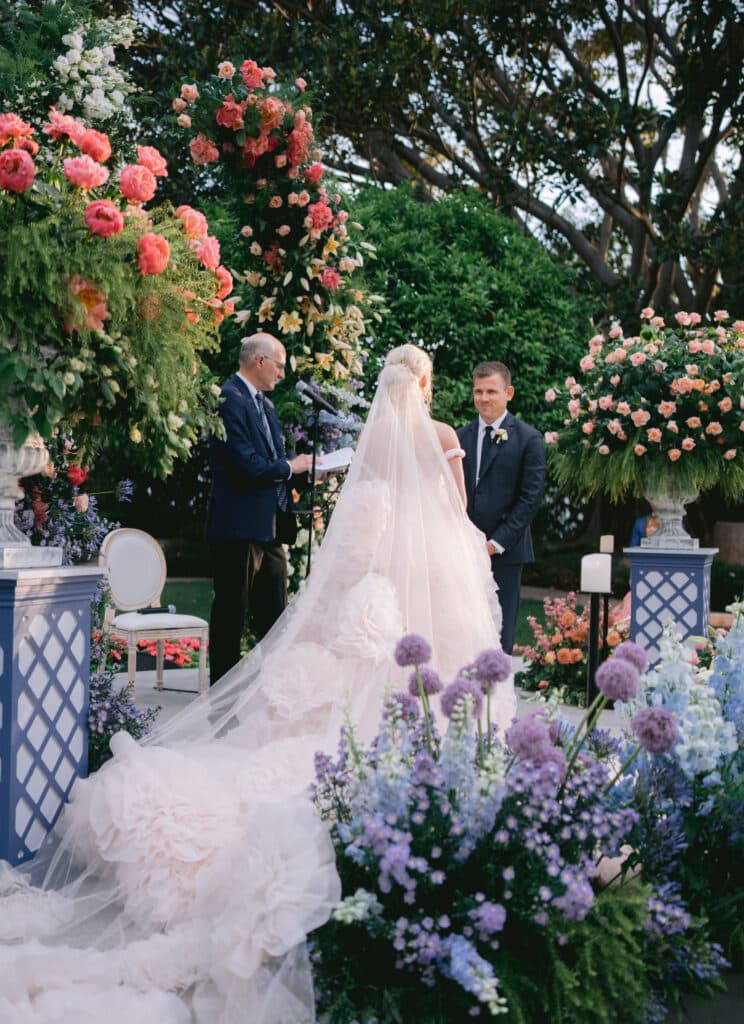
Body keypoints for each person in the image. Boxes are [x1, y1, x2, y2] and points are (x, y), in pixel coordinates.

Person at [0, 345, 514, 1022]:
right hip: (425, 593)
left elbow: (353, 541)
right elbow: (455, 514)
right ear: (425, 384)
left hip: (370, 596)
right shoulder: (442, 437)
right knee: (429, 686)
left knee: (346, 687)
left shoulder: (371, 445)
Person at [206, 332, 313, 683]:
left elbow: (275, 462)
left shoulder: (265, 405)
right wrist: (290, 467)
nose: (282, 375)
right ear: (260, 361)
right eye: (279, 366)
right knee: (230, 619)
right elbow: (244, 463)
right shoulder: (228, 399)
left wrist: (307, 473)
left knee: (276, 619)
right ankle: (224, 712)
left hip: (269, 528)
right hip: (236, 528)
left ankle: (272, 697)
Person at [458, 360, 546, 654]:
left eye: (491, 391)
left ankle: (497, 697)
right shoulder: (460, 436)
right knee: (461, 628)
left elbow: (530, 497)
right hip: (462, 551)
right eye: (478, 391)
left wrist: (495, 543)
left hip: (505, 552)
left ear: (509, 393)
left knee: (499, 632)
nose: (484, 398)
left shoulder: (528, 438)